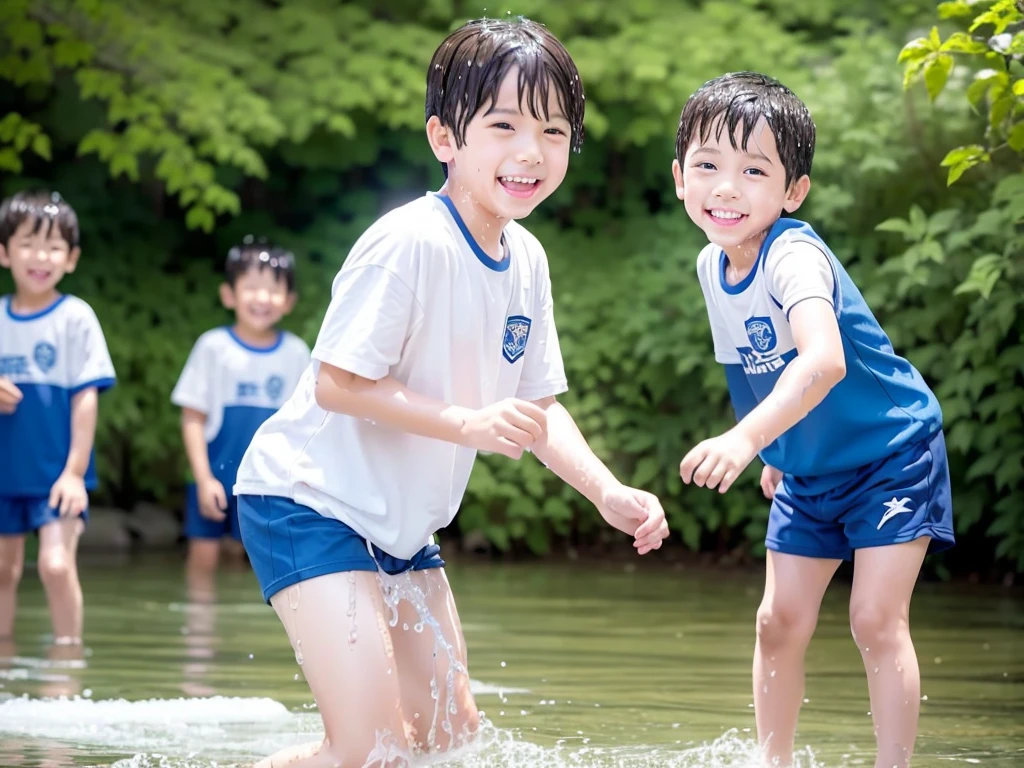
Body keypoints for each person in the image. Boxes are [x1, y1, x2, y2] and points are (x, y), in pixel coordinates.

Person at [233, 17, 670, 768]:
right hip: (308, 503)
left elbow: (540, 408)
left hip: (401, 529)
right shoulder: (408, 243)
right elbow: (336, 383)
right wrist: (465, 422)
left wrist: (605, 492)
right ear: (445, 138)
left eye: (554, 131)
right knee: (369, 754)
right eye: (502, 126)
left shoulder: (526, 259)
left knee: (450, 744)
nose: (530, 152)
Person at [672, 72, 955, 768]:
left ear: (791, 192)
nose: (726, 188)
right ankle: (773, 764)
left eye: (752, 170)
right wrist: (777, 447)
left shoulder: (791, 254)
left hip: (891, 450)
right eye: (707, 166)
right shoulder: (713, 264)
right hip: (808, 465)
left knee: (873, 620)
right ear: (680, 178)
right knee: (778, 623)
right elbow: (755, 366)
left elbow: (822, 360)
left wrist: (746, 440)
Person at [0, 190, 116, 645]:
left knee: (55, 564)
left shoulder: (76, 318)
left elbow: (86, 397)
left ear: (71, 258)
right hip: (6, 474)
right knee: (3, 572)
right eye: (28, 243)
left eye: (53, 246)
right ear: (5, 252)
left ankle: (68, 664)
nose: (40, 256)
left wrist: (73, 473)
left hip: (56, 475)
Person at [170, 238, 309, 596]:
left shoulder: (296, 354)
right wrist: (203, 479)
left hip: (272, 485)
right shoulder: (213, 347)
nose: (261, 299)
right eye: (251, 288)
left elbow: (305, 427)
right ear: (229, 294)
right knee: (203, 558)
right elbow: (192, 417)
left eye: (272, 290)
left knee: (275, 564)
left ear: (289, 301)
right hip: (215, 478)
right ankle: (199, 629)